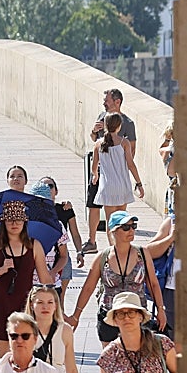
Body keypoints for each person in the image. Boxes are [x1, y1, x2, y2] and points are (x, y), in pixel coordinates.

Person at [67, 211, 167, 339]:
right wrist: (76, 316)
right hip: (110, 317)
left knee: (139, 357)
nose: (131, 230)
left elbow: (153, 283)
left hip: (137, 316)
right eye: (126, 227)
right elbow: (88, 288)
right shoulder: (103, 257)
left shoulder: (142, 253)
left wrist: (160, 310)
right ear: (114, 230)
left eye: (133, 226)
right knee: (110, 357)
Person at [0, 201, 53, 355]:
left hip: (25, 304)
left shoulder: (34, 245)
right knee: (5, 356)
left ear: (24, 222)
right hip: (0, 305)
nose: (14, 223)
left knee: (26, 352)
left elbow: (44, 278)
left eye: (18, 219)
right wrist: (0, 270)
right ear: (3, 222)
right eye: (10, 220)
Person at [84, 88, 136, 253]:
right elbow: (94, 139)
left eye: (107, 100)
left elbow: (131, 151)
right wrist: (94, 131)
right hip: (100, 171)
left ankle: (115, 248)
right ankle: (92, 241)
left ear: (117, 102)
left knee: (114, 218)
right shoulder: (101, 117)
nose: (104, 103)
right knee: (93, 205)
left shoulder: (128, 123)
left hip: (112, 173)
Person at [91, 112, 145, 219]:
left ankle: (109, 236)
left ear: (105, 125)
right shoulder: (124, 142)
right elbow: (131, 165)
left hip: (107, 186)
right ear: (119, 126)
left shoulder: (98, 144)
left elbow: (94, 167)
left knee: (109, 221)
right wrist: (139, 184)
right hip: (122, 185)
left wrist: (95, 176)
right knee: (120, 220)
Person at [26, 284, 78, 373]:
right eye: (40, 302)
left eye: (50, 302)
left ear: (55, 305)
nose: (45, 307)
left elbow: (71, 370)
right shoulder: (23, 330)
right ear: (31, 305)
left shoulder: (65, 330)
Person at [148, 212, 178, 339]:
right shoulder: (172, 222)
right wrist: (171, 238)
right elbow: (149, 251)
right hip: (173, 290)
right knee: (172, 336)